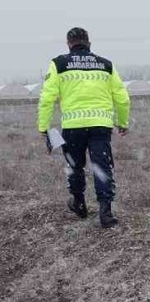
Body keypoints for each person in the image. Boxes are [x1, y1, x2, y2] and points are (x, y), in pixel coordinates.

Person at [37, 27, 131, 228]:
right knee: (101, 166)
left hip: (73, 127)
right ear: (89, 43)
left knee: (74, 166)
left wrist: (43, 127)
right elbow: (122, 98)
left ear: (69, 44)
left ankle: (79, 203)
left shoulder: (59, 64)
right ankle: (106, 213)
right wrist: (122, 122)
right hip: (100, 126)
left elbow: (47, 99)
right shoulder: (106, 64)